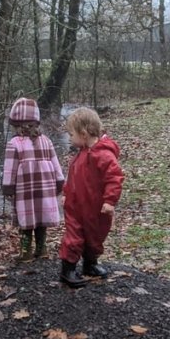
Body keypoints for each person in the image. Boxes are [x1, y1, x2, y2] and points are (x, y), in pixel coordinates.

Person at [59, 107, 124, 288]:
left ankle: (90, 264)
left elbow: (114, 178)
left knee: (94, 236)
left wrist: (110, 201)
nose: (69, 138)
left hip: (96, 208)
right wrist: (66, 193)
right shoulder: (81, 153)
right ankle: (68, 269)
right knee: (74, 236)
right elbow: (72, 176)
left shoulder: (103, 155)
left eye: (71, 134)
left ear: (84, 134)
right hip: (76, 206)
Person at [1, 97, 65, 261]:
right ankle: (41, 249)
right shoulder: (46, 141)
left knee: (26, 219)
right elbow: (55, 163)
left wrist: (8, 187)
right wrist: (59, 181)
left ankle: (25, 252)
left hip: (25, 190)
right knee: (42, 218)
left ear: (17, 124)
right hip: (45, 188)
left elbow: (10, 168)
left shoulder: (14, 143)